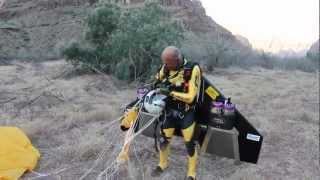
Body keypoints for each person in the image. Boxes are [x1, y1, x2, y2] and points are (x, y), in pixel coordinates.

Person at [152, 46, 201, 180]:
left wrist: (170, 92)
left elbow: (191, 97)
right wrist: (158, 85)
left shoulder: (192, 69)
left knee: (189, 144)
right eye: (165, 63)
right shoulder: (166, 66)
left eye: (169, 63)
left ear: (178, 59)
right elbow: (156, 80)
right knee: (163, 140)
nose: (166, 66)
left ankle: (192, 173)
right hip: (169, 111)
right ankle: (162, 164)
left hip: (186, 112)